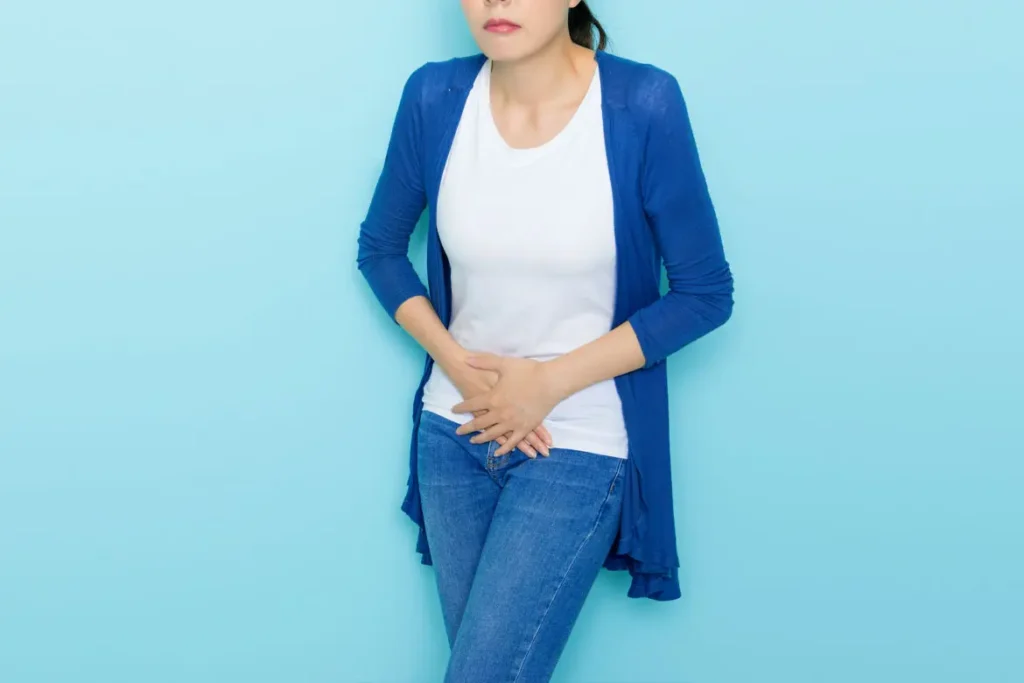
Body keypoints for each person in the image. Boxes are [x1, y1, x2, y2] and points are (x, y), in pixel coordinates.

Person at [356, 1, 734, 680]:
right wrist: (458, 366)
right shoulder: (434, 97)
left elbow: (704, 294)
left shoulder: (642, 104)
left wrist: (547, 383)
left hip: (577, 441)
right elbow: (380, 250)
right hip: (453, 431)